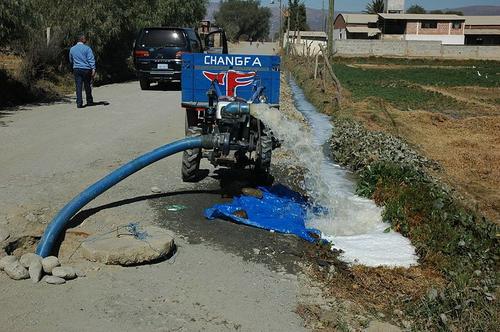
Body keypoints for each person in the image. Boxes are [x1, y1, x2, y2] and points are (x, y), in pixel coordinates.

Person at [69, 34, 96, 108]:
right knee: (87, 85)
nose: (86, 40)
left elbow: (71, 60)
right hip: (86, 69)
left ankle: (79, 103)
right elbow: (91, 59)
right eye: (85, 38)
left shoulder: (72, 49)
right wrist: (93, 68)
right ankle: (89, 101)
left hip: (77, 69)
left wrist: (73, 66)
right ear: (82, 39)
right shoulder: (87, 49)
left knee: (78, 86)